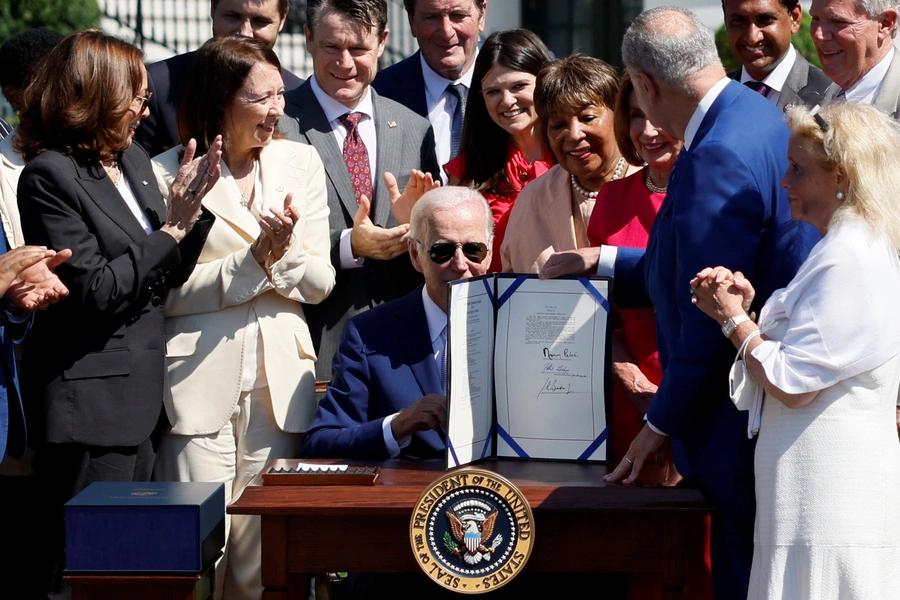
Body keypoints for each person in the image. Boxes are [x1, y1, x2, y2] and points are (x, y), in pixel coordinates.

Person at [541, 8, 818, 599]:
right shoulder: (755, 115)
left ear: (643, 83)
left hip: (731, 423)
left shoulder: (717, 152)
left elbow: (708, 315)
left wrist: (660, 423)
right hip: (760, 410)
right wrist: (603, 260)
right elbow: (698, 270)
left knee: (744, 578)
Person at [14, 29, 219, 599]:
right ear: (94, 94)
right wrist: (172, 228)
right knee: (82, 568)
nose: (145, 108)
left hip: (143, 398)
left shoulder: (130, 159)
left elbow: (164, 275)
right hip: (91, 406)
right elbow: (98, 290)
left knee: (132, 568)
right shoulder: (50, 175)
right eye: (135, 94)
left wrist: (192, 214)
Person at [691, 102, 900, 599]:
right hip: (815, 488)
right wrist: (748, 311)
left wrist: (732, 319)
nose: (785, 181)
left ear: (841, 177)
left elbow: (793, 382)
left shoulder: (849, 257)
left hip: (830, 494)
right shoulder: (845, 249)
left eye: (799, 169)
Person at [151, 35, 334, 600]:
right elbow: (167, 294)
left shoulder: (298, 161)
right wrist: (254, 261)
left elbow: (320, 284)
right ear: (220, 99)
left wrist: (281, 254)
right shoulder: (167, 173)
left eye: (281, 93)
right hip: (195, 380)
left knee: (262, 552)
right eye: (261, 98)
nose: (277, 109)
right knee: (195, 547)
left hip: (281, 383)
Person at [281, 0, 441, 386]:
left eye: (359, 49)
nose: (346, 63)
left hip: (402, 357)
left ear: (383, 42)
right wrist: (350, 245)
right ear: (307, 39)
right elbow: (266, 235)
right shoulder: (280, 123)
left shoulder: (413, 127)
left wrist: (416, 228)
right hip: (313, 349)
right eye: (332, 48)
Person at [302, 186, 491, 460]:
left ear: (490, 250)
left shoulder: (516, 326)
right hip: (406, 497)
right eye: (442, 250)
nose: (460, 264)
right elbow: (320, 443)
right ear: (415, 255)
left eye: (474, 249)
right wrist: (397, 426)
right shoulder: (369, 335)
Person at [586, 72, 682, 484]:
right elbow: (598, 315)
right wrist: (630, 377)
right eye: (636, 116)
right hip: (629, 397)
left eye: (657, 114)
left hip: (698, 392)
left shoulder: (710, 189)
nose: (648, 129)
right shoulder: (610, 198)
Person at [500, 54, 639, 274]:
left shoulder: (656, 186)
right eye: (558, 125)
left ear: (618, 116)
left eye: (587, 118)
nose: (574, 135)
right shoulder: (533, 199)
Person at [444, 29, 553, 273]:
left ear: (545, 82)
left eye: (518, 86)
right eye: (493, 92)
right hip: (493, 304)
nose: (506, 101)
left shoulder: (575, 157)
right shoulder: (466, 171)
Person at [136, 0, 304, 157]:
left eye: (260, 21)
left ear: (282, 20)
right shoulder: (156, 85)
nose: (244, 33)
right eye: (232, 17)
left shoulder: (297, 95)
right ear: (212, 10)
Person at [373, 0, 487, 177]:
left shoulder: (525, 80)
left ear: (481, 16)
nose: (446, 31)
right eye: (431, 17)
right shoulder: (379, 94)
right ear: (412, 22)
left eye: (458, 16)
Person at [0, 28, 64, 250]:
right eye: (54, 85)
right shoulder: (3, 173)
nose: (72, 92)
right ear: (16, 98)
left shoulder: (112, 156)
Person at [723, 0, 830, 109]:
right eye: (738, 21)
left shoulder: (830, 96)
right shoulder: (714, 94)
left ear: (794, 18)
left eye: (765, 19)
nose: (752, 38)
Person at [810, 0, 900, 114]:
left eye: (838, 21)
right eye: (815, 19)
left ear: (885, 23)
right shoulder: (816, 94)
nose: (818, 35)